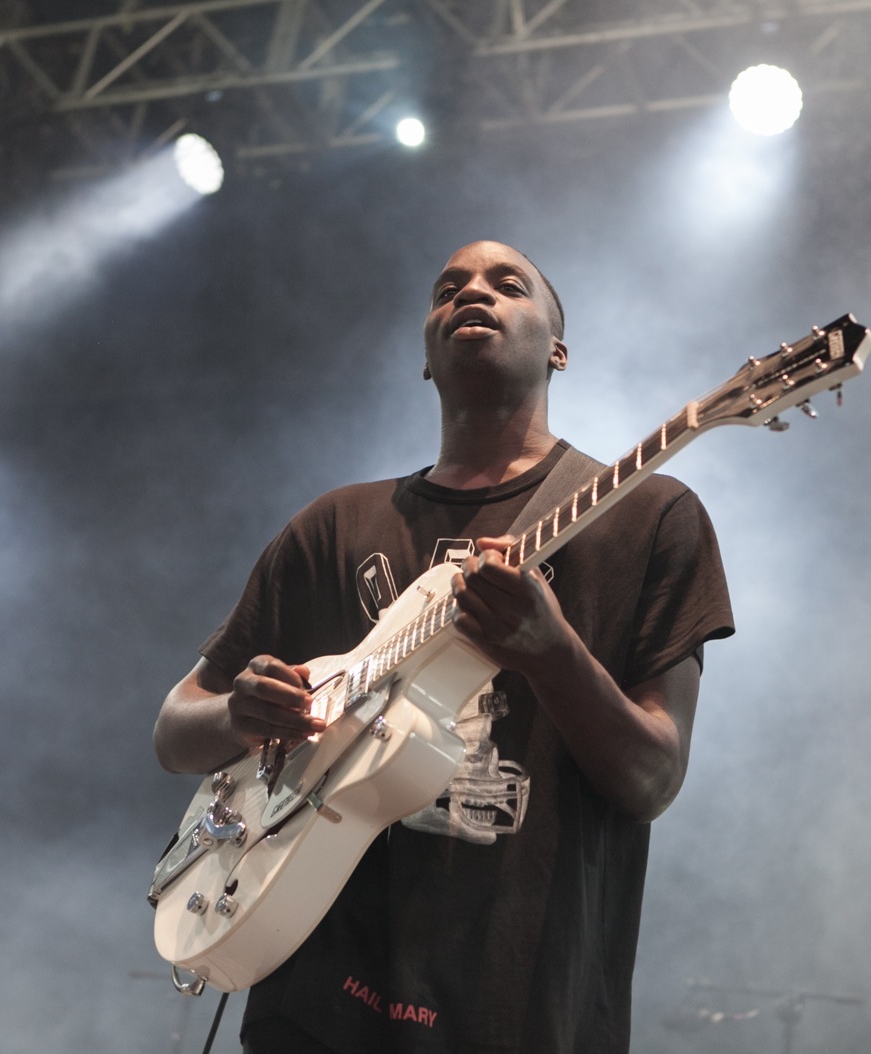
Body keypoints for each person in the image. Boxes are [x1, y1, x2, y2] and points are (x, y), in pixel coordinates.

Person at [153, 241, 735, 1054]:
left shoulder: (650, 518)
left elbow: (653, 778)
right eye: (447, 289)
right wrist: (240, 716)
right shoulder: (333, 526)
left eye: (509, 284)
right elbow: (175, 730)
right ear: (427, 357)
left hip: (524, 1010)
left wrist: (550, 650)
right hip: (316, 1007)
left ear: (558, 350)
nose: (473, 293)